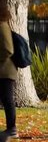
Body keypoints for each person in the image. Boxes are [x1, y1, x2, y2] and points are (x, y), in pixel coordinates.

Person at [0, 7, 17, 140]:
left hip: (5, 70)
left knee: (7, 99)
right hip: (3, 71)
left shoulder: (2, 25)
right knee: (6, 99)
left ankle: (12, 129)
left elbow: (8, 49)